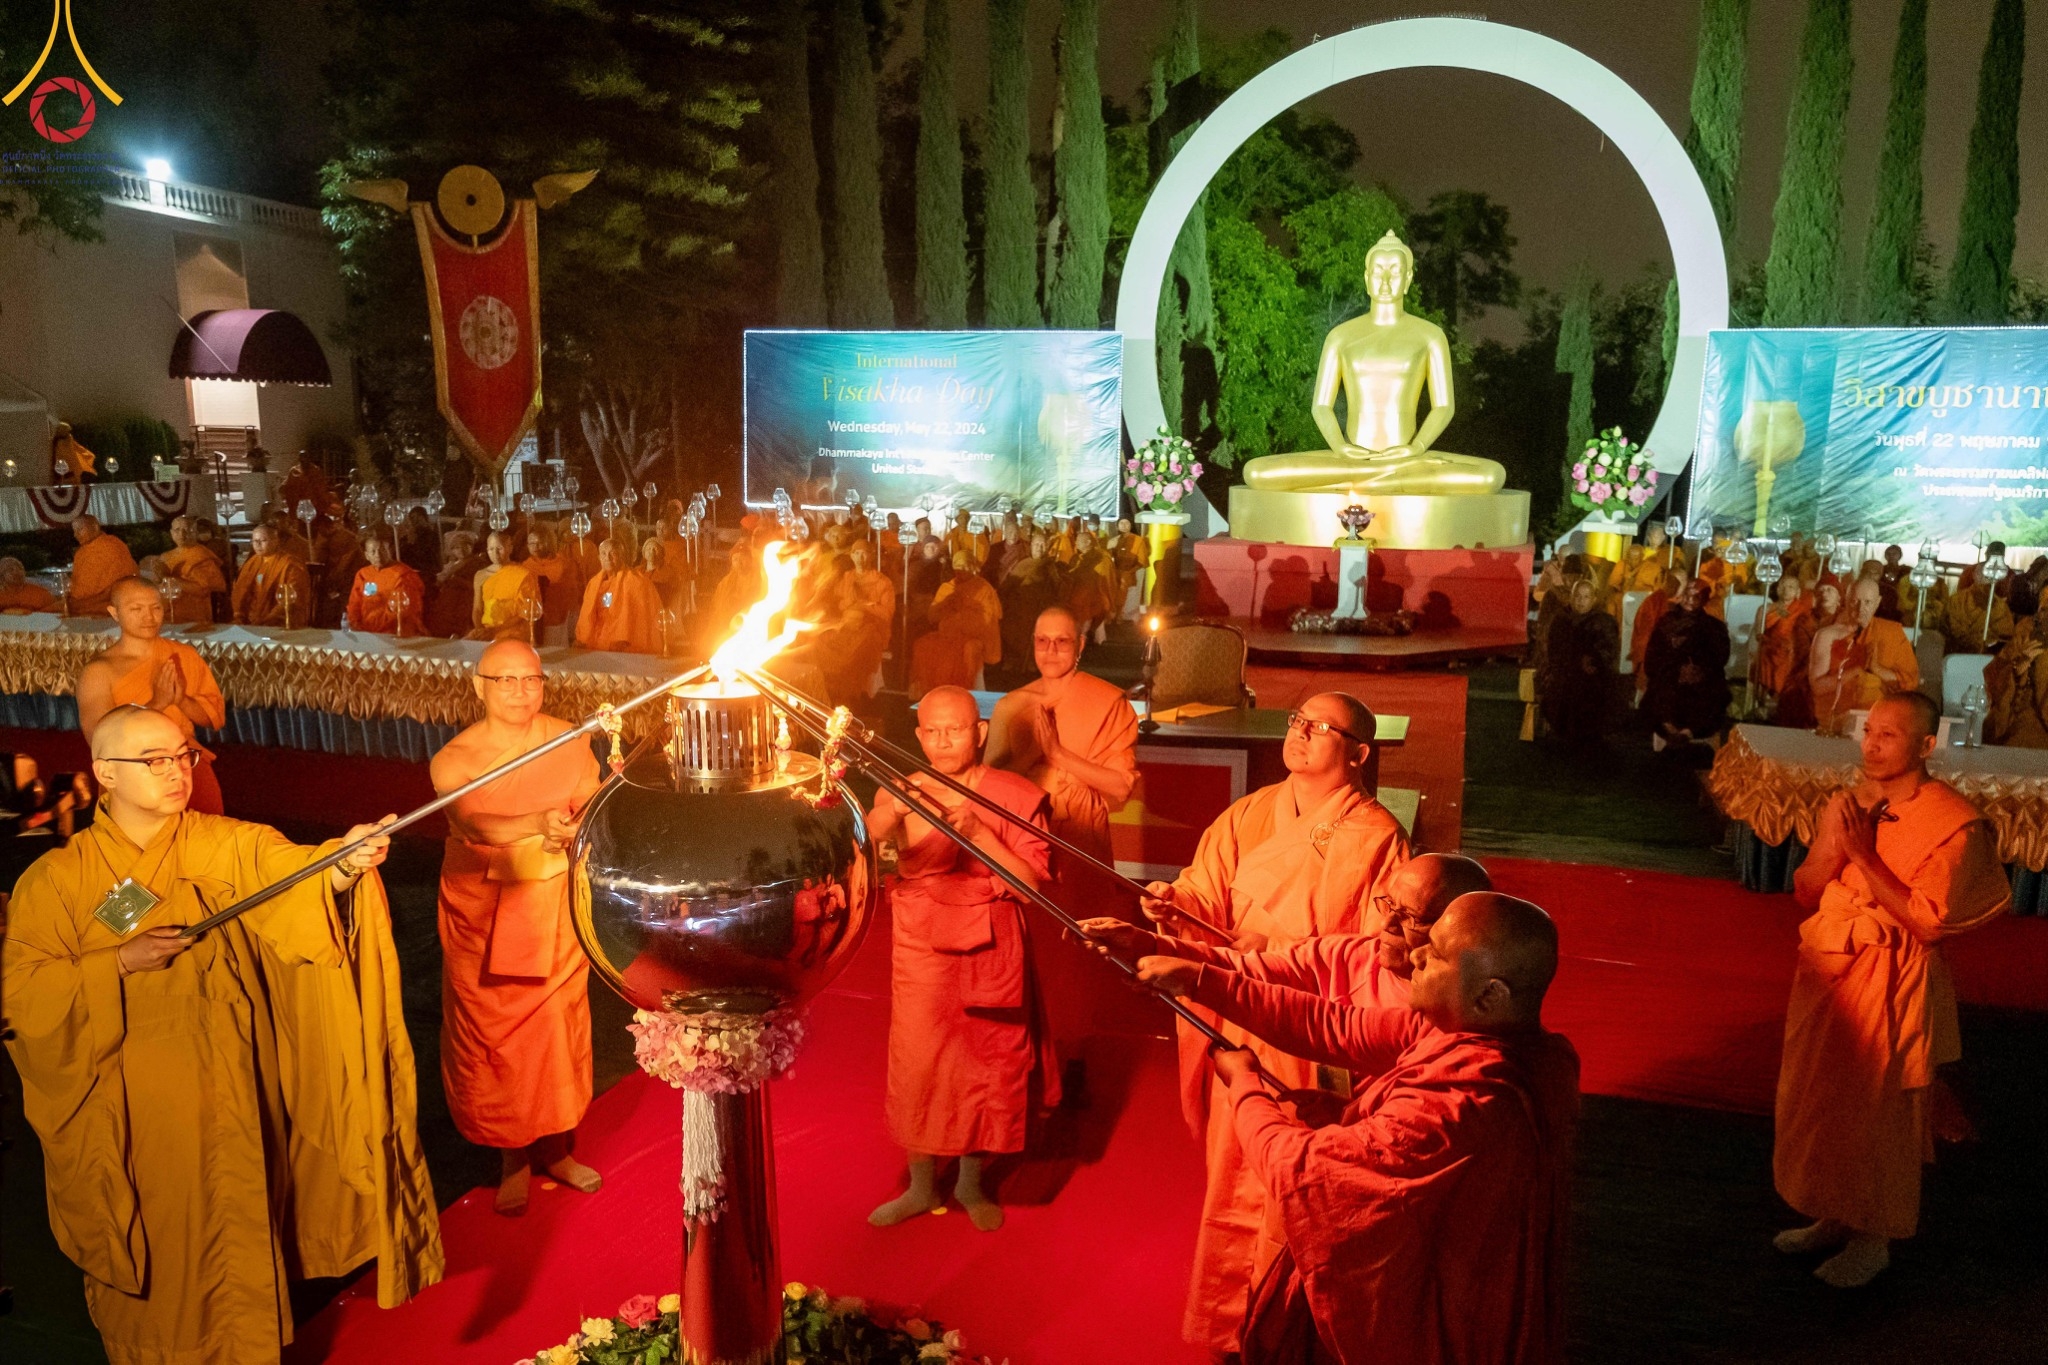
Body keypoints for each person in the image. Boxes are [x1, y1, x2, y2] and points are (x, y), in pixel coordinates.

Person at [1, 706, 441, 1364]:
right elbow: (22, 994)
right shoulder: (58, 881)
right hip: (136, 1103)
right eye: (154, 760)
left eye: (183, 755)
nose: (176, 772)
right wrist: (117, 961)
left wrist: (341, 866)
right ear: (106, 774)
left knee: (239, 1228)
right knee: (161, 1246)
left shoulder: (226, 842)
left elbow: (291, 873)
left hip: (236, 1078)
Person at [1136, 892, 1577, 1364]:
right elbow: (1334, 1025)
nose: (1415, 955)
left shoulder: (1469, 1098)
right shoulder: (1502, 1041)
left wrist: (1244, 1085)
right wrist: (1197, 979)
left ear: (1490, 994)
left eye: (1436, 954)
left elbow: (1302, 1170)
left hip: (1437, 1302)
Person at [1131, 692, 1411, 1357]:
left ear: (1358, 753)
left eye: (1319, 727)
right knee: (1234, 1162)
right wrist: (1175, 904)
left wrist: (1277, 951)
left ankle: (1286, 1323)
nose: (1300, 733)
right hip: (1236, 1012)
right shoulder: (1250, 812)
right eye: (1297, 721)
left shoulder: (1378, 837)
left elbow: (1383, 951)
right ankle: (1230, 1315)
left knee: (1292, 1177)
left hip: (1309, 1027)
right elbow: (1205, 891)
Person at [1775, 692, 2010, 1286]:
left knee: (1880, 1113)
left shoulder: (1952, 823)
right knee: (1825, 1099)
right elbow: (1805, 892)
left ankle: (1873, 1237)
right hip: (1832, 966)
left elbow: (1928, 921)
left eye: (1889, 735)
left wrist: (1863, 855)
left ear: (1927, 745)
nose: (1872, 745)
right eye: (1869, 731)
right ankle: (1834, 1213)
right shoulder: (1849, 803)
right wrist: (1835, 849)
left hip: (1894, 976)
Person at [865, 686, 1056, 1232]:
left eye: (956, 729)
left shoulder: (1013, 795)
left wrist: (976, 833)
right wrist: (890, 812)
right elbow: (865, 840)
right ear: (919, 736)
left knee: (985, 1063)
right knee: (919, 1062)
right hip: (923, 946)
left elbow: (1032, 886)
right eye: (933, 731)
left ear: (980, 732)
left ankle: (972, 1181)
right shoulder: (903, 789)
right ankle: (921, 1185)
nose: (945, 740)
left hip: (992, 942)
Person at [430, 640, 606, 1215]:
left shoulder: (567, 738)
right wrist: (536, 821)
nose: (519, 691)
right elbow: (473, 821)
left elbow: (591, 799)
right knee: (495, 1035)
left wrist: (574, 825)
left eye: (530, 679)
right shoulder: (455, 758)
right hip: (484, 907)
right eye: (504, 680)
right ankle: (512, 1157)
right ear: (479, 686)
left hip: (551, 904)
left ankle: (556, 1147)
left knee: (556, 1027)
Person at [76, 577, 229, 814]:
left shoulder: (182, 655)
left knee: (206, 832)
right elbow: (100, 740)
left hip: (185, 762)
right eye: (136, 609)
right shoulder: (99, 671)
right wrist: (157, 703)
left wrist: (180, 700)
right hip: (132, 771)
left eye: (156, 608)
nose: (148, 617)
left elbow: (214, 718)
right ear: (114, 613)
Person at [1811, 578, 1921, 730]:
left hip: (1879, 722)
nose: (1861, 608)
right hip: (1835, 721)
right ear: (1846, 600)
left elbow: (1910, 682)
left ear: (1877, 602)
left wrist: (1877, 669)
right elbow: (1817, 686)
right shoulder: (1827, 635)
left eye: (1868, 602)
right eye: (1855, 601)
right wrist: (1855, 671)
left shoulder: (1892, 633)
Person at [1641, 578, 1733, 751]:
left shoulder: (1714, 626)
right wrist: (1675, 670)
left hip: (1702, 679)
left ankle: (1688, 733)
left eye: (1696, 597)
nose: (1689, 600)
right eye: (1687, 595)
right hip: (1669, 676)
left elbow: (1720, 657)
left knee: (1711, 695)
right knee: (1662, 692)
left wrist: (1698, 670)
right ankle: (1669, 730)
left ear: (1704, 600)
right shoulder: (1666, 622)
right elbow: (1653, 656)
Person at [1540, 577, 1621, 740]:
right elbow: (1552, 649)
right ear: (1571, 596)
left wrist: (1592, 660)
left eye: (1586, 597)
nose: (1581, 601)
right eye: (1577, 596)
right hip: (1564, 678)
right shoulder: (1561, 620)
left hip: (1590, 681)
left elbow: (1609, 651)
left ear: (1593, 599)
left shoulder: (1602, 622)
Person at [574, 536, 665, 653]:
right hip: (596, 644)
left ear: (622, 556)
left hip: (625, 646)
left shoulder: (637, 582)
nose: (608, 558)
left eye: (613, 553)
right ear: (599, 558)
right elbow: (586, 618)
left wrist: (627, 640)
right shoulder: (593, 583)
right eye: (603, 554)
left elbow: (644, 622)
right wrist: (582, 639)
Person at [1984, 592, 2048, 747]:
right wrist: (2016, 670)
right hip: (2011, 727)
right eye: (2044, 609)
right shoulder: (2027, 630)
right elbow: (1993, 674)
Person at [1751, 576, 1813, 721]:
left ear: (1797, 591)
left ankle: (1780, 703)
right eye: (1783, 586)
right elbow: (1758, 633)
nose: (1786, 590)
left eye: (1791, 587)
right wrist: (1766, 640)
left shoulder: (1802, 610)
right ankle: (1763, 703)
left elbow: (1807, 633)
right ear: (1777, 589)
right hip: (1769, 649)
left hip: (1792, 651)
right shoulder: (1766, 609)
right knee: (1765, 659)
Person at [231, 523, 316, 628]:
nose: (258, 545)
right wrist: (239, 615)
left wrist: (269, 618)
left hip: (278, 621)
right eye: (255, 541)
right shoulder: (251, 563)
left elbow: (292, 597)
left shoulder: (290, 564)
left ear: (276, 541)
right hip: (249, 621)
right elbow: (239, 591)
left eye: (263, 540)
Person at [346, 532, 428, 636]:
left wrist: (376, 630)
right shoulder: (363, 574)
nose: (378, 555)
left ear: (390, 550)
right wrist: (356, 625)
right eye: (373, 551)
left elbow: (404, 611)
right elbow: (354, 604)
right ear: (366, 555)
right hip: (366, 633)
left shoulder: (403, 575)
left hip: (395, 633)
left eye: (383, 550)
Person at [932, 550, 1003, 668]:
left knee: (969, 650)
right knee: (923, 646)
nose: (962, 569)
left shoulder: (984, 588)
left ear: (972, 567)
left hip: (976, 637)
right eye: (958, 566)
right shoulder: (947, 588)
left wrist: (960, 618)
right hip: (949, 634)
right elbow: (933, 615)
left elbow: (988, 619)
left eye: (965, 565)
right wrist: (946, 606)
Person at [471, 529, 543, 642]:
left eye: (499, 548)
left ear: (510, 548)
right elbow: (477, 609)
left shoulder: (522, 574)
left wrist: (495, 630)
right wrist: (480, 630)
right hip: (486, 631)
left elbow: (527, 612)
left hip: (513, 633)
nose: (495, 553)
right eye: (491, 549)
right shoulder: (480, 575)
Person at [1628, 567, 1686, 697]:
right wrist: (1643, 667)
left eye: (1683, 582)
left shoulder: (1688, 602)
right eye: (1675, 581)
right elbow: (1643, 638)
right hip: (1655, 663)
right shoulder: (1653, 603)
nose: (1679, 586)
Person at [158, 515, 228, 624]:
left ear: (195, 533)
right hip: (167, 615)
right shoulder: (165, 556)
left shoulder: (201, 556)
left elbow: (202, 589)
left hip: (194, 617)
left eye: (187, 530)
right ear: (171, 533)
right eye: (177, 530)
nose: (182, 534)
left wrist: (171, 579)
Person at [66, 515, 138, 616]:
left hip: (107, 603)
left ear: (95, 527)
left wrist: (83, 604)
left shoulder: (113, 546)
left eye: (80, 529)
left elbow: (117, 587)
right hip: (79, 603)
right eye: (74, 531)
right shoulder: (81, 552)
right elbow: (77, 585)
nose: (75, 535)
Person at [525, 525, 582, 645]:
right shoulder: (525, 566)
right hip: (532, 622)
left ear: (548, 542)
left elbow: (571, 594)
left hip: (556, 620)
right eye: (532, 543)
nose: (536, 547)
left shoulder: (563, 564)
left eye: (540, 543)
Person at [428, 531, 488, 638]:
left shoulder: (478, 563)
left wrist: (458, 580)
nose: (461, 550)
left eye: (465, 545)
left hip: (465, 602)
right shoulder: (451, 565)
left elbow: (479, 585)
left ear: (471, 546)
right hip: (447, 602)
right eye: (457, 547)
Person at [1940, 571, 2015, 655]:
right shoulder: (2001, 607)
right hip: (1985, 658)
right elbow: (2004, 638)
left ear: (1974, 576)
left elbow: (1945, 629)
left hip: (1954, 656)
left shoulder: (1955, 600)